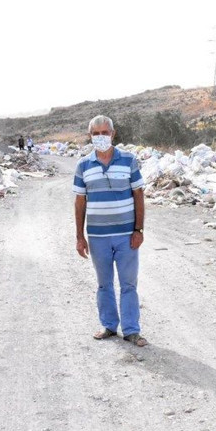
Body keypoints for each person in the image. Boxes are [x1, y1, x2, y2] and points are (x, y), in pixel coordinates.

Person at [73, 115, 147, 346]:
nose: (101, 137)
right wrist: (79, 236)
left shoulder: (128, 160)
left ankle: (132, 330)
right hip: (97, 237)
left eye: (105, 133)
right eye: (96, 133)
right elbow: (80, 201)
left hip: (126, 235)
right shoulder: (83, 165)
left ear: (113, 135)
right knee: (104, 284)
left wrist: (138, 229)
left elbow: (138, 194)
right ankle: (108, 326)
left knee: (128, 284)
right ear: (90, 136)